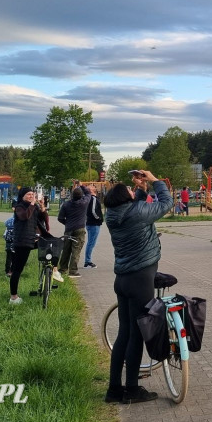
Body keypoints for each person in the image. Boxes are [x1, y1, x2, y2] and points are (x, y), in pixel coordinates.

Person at [105, 170, 173, 405]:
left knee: (124, 333)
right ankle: (132, 390)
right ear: (127, 199)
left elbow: (138, 208)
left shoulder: (113, 214)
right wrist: (155, 180)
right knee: (137, 335)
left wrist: (141, 189)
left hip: (122, 279)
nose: (133, 191)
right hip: (141, 278)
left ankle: (114, 390)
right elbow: (167, 203)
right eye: (130, 191)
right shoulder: (136, 212)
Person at [9, 187, 50, 305]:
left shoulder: (34, 207)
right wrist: (32, 204)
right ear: (22, 196)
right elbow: (24, 217)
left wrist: (42, 207)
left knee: (50, 244)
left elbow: (43, 218)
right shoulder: (19, 207)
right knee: (17, 269)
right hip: (22, 241)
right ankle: (13, 297)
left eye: (32, 194)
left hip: (32, 239)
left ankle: (51, 270)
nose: (31, 196)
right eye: (28, 194)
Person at [58, 186, 90, 278]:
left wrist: (67, 223)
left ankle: (63, 269)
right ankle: (73, 271)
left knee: (66, 250)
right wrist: (82, 185)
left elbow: (60, 218)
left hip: (68, 229)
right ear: (81, 196)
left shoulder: (66, 205)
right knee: (76, 250)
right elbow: (88, 193)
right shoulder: (84, 203)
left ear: (71, 196)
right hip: (80, 229)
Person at [83, 184, 103, 268]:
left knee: (91, 242)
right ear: (91, 190)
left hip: (90, 223)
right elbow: (93, 211)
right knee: (91, 243)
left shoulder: (89, 198)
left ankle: (87, 260)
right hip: (94, 223)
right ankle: (87, 261)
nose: (93, 185)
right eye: (91, 186)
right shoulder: (93, 198)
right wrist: (98, 218)